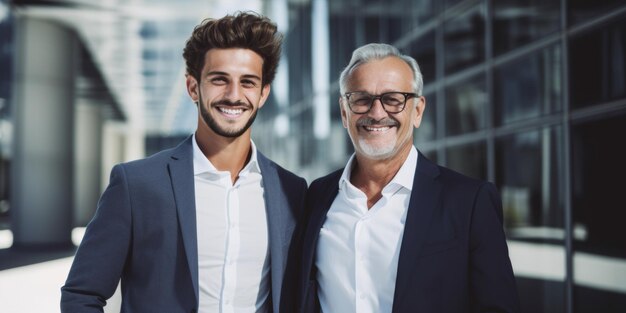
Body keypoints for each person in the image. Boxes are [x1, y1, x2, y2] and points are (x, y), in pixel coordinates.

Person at [61, 12, 307, 313]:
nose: (233, 95)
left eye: (248, 82)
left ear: (263, 93)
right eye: (219, 80)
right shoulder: (137, 184)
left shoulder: (291, 192)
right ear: (193, 87)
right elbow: (82, 294)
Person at [282, 43, 520, 313]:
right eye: (361, 99)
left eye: (393, 99)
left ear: (417, 111)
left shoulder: (469, 202)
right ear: (344, 112)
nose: (377, 112)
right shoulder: (317, 196)